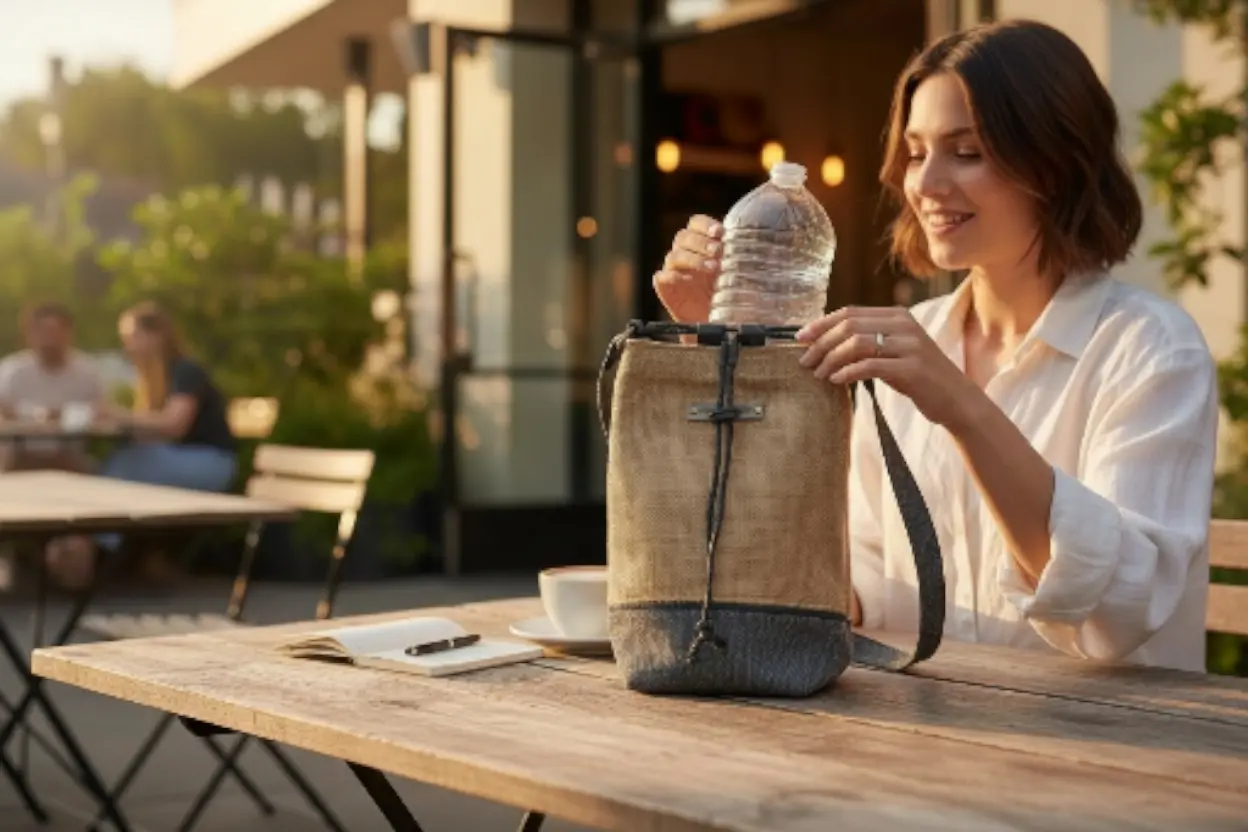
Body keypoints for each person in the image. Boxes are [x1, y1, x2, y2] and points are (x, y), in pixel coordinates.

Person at [653, 19, 1218, 673]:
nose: (924, 183)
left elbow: (1121, 607)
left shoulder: (1150, 350)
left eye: (967, 150)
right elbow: (837, 585)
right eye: (917, 152)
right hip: (927, 739)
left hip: (1114, 755)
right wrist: (723, 353)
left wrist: (961, 405)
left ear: (1058, 163)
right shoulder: (907, 344)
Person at [45, 301, 238, 588]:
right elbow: (152, 430)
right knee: (117, 461)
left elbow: (173, 425)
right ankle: (89, 543)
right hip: (178, 460)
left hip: (211, 463)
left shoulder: (185, 371)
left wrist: (117, 415)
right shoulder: (152, 377)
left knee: (128, 462)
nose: (128, 347)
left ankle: (87, 544)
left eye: (132, 337)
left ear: (157, 334)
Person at [0, 301, 106, 471]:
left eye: (55, 332)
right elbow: (5, 411)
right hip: (20, 455)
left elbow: (98, 413)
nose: (50, 339)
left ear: (69, 333)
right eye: (43, 332)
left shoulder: (87, 372)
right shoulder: (11, 371)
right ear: (29, 335)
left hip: (69, 457)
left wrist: (64, 415)